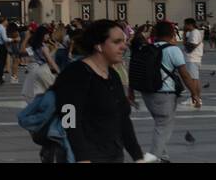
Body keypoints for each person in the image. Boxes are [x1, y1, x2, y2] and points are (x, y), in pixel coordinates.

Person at [53, 19, 145, 163]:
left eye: (124, 41)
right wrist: (82, 157)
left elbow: (123, 119)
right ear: (99, 46)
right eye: (117, 42)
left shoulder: (112, 75)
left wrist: (138, 156)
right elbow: (69, 119)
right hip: (85, 156)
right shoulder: (76, 73)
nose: (124, 46)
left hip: (113, 154)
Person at [136, 20, 200, 162]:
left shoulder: (148, 48)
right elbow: (184, 74)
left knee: (160, 125)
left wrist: (131, 93)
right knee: (163, 126)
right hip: (164, 94)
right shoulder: (173, 50)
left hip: (147, 93)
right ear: (172, 33)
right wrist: (194, 93)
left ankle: (163, 157)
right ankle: (152, 157)